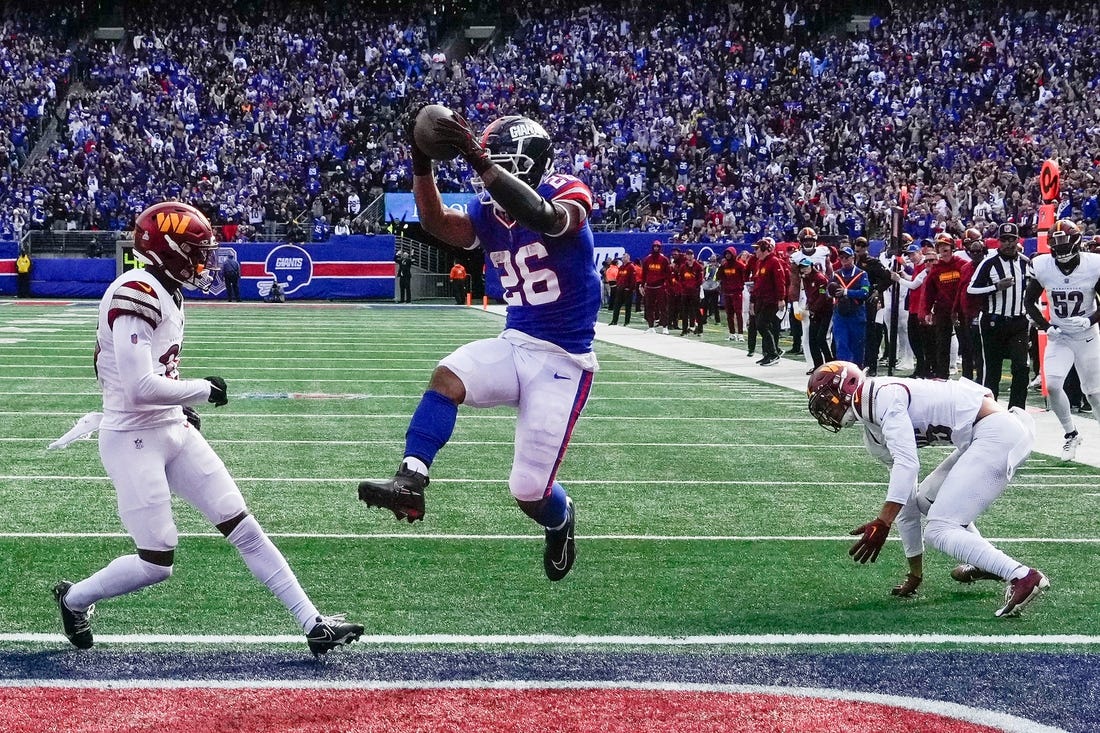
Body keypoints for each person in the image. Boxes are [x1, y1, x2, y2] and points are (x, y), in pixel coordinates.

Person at [51, 201, 362, 655]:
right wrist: (201, 390)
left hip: (172, 429)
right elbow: (138, 387)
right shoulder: (135, 291)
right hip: (132, 437)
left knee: (243, 526)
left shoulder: (167, 289)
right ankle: (74, 599)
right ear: (167, 251)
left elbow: (159, 372)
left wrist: (182, 403)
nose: (205, 262)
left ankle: (312, 624)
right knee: (157, 561)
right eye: (196, 251)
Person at [357, 110, 601, 582]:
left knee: (529, 493)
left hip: (564, 360)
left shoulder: (567, 190)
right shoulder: (487, 211)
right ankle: (410, 478)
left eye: (498, 161)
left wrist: (475, 158)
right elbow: (433, 220)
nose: (487, 171)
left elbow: (547, 219)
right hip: (516, 342)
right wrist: (420, 160)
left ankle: (561, 517)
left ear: (527, 162)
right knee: (448, 374)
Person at [806, 360, 1048, 617]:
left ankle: (1023, 576)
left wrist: (882, 521)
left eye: (827, 402)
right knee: (925, 499)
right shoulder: (873, 432)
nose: (826, 412)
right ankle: (985, 562)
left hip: (997, 432)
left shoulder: (880, 395)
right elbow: (907, 501)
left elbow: (909, 464)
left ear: (848, 385)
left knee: (939, 530)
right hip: (980, 436)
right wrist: (915, 572)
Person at [1023, 219, 1100, 461]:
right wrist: (1046, 326)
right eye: (1056, 245)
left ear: (1077, 242)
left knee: (1094, 393)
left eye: (1064, 244)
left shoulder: (1094, 265)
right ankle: (1071, 434)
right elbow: (1029, 302)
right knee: (1054, 385)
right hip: (1060, 336)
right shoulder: (1042, 265)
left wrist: (1090, 320)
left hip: (1087, 336)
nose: (1061, 250)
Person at [967, 222, 1031, 408]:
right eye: (1004, 240)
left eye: (1012, 239)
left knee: (1022, 367)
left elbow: (1032, 292)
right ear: (998, 242)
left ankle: (1017, 411)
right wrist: (996, 287)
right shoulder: (989, 263)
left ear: (1018, 240)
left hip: (1019, 322)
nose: (1009, 244)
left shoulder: (1026, 263)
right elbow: (971, 290)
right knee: (991, 370)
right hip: (993, 322)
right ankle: (990, 412)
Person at [827, 246, 870, 366]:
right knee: (841, 344)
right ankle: (843, 372)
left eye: (847, 257)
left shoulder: (862, 274)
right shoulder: (836, 275)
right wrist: (830, 293)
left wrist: (846, 292)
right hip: (840, 315)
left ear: (853, 258)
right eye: (841, 257)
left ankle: (857, 373)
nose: (844, 260)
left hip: (857, 315)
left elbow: (865, 292)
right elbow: (827, 291)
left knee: (857, 346)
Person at [749, 237, 787, 366]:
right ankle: (767, 353)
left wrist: (781, 298)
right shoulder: (761, 263)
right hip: (761, 299)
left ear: (765, 249)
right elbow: (757, 282)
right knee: (763, 326)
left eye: (757, 249)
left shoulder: (774, 262)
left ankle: (773, 354)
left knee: (762, 325)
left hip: (770, 300)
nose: (755, 252)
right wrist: (753, 299)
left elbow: (780, 281)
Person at [798, 255, 833, 373]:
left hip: (825, 311)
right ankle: (818, 366)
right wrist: (809, 305)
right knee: (812, 339)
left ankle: (830, 363)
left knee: (821, 338)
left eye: (806, 267)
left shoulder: (820, 278)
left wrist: (814, 308)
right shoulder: (805, 279)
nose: (804, 269)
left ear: (811, 266)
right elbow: (810, 295)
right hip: (814, 311)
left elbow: (823, 296)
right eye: (802, 267)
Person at [640, 241, 671, 334]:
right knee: (649, 307)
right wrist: (642, 285)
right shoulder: (647, 259)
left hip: (660, 286)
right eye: (654, 246)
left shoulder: (664, 260)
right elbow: (644, 273)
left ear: (660, 248)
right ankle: (650, 326)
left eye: (658, 246)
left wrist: (666, 285)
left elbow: (668, 274)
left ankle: (665, 327)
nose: (656, 248)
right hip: (649, 287)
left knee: (663, 307)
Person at [609, 252, 635, 326]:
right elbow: (618, 277)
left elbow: (633, 279)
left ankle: (626, 322)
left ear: (628, 258)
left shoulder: (631, 267)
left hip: (627, 290)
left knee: (628, 307)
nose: (623, 259)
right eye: (623, 257)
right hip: (620, 289)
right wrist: (618, 285)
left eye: (625, 257)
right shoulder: (621, 267)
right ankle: (614, 321)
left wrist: (629, 288)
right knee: (616, 305)